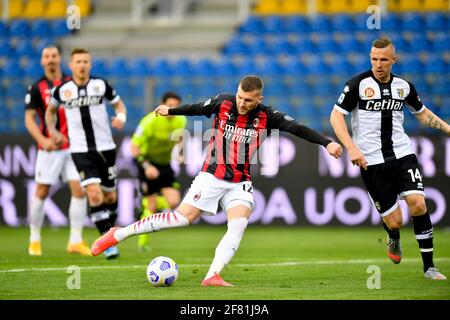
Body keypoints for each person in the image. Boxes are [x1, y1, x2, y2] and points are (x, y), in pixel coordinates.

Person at [91, 75, 343, 285]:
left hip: (240, 181)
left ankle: (212, 274)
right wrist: (171, 110)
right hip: (212, 176)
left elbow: (298, 128)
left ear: (259, 99)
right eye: (240, 98)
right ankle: (119, 233)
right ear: (236, 93)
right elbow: (197, 108)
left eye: (248, 100)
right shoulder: (223, 103)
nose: (242, 103)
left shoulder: (268, 116)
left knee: (239, 224)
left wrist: (327, 142)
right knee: (181, 219)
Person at [330, 37, 449, 280]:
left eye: (384, 59)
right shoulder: (357, 85)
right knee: (396, 222)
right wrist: (351, 148)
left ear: (394, 59)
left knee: (418, 203)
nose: (378, 64)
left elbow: (423, 114)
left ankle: (429, 267)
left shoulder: (404, 87)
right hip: (371, 162)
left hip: (403, 154)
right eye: (374, 59)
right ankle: (393, 237)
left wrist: (448, 129)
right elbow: (335, 117)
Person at [45, 48, 128, 259]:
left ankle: (109, 227)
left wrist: (121, 118)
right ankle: (107, 242)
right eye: (78, 62)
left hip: (105, 148)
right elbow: (50, 112)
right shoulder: (62, 90)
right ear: (71, 65)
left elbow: (120, 106)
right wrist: (53, 131)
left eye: (85, 61)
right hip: (80, 150)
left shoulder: (101, 85)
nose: (82, 65)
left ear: (90, 65)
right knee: (93, 193)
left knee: (110, 195)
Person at [24, 45, 90, 256]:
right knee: (41, 191)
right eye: (47, 56)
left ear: (60, 59)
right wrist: (43, 140)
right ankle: (34, 240)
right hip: (50, 149)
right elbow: (29, 120)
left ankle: (75, 241)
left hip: (74, 147)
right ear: (42, 61)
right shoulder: (36, 87)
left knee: (79, 191)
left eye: (54, 56)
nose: (51, 59)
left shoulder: (72, 84)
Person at [130, 91, 186, 251]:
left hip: (164, 164)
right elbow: (133, 147)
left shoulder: (181, 120)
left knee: (174, 202)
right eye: (170, 105)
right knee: (153, 206)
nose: (173, 109)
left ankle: (146, 204)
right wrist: (146, 166)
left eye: (176, 106)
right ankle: (142, 243)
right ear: (162, 105)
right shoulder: (149, 121)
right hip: (146, 162)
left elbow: (178, 139)